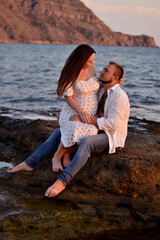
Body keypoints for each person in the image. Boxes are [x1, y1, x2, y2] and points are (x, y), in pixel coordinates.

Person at [44, 61, 130, 198]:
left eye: (106, 70)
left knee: (87, 141)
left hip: (111, 136)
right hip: (98, 128)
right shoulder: (101, 90)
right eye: (103, 69)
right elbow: (84, 101)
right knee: (59, 132)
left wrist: (87, 120)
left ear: (114, 78)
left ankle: (62, 181)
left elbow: (113, 123)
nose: (101, 71)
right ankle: (32, 161)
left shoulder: (119, 96)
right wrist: (65, 114)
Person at [52, 44, 100, 172]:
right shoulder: (71, 74)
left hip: (90, 115)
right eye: (89, 61)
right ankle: (57, 156)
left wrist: (117, 81)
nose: (92, 63)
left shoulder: (92, 69)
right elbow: (68, 97)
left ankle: (67, 154)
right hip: (72, 111)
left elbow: (102, 83)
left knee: (91, 132)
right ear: (80, 60)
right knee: (76, 128)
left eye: (93, 60)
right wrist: (81, 112)